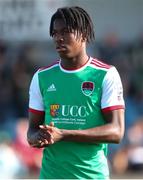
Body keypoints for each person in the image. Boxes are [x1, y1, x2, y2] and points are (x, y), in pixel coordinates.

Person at [27, 6, 125, 179]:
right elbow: (31, 131)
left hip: (91, 176)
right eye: (55, 33)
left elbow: (116, 131)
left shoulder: (105, 75)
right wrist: (39, 137)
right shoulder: (41, 77)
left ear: (84, 34)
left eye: (65, 32)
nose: (59, 38)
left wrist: (63, 134)